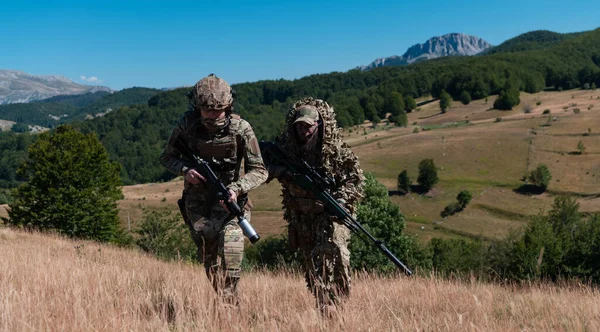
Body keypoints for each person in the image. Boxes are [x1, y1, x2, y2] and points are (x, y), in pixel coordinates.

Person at [159, 74, 267, 305]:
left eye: (218, 111)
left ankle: (229, 306)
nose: (212, 116)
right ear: (196, 107)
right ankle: (224, 299)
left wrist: (237, 188)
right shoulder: (186, 125)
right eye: (206, 111)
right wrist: (186, 170)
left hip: (232, 204)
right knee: (210, 262)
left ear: (228, 106)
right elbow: (167, 157)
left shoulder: (241, 129)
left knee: (233, 252)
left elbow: (260, 170)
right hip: (199, 206)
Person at [266, 97, 364, 314]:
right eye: (299, 127)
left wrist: (340, 200)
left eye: (308, 126)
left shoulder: (338, 154)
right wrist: (282, 172)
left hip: (328, 217)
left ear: (319, 125)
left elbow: (354, 180)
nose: (304, 131)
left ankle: (334, 307)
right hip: (300, 219)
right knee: (311, 268)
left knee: (333, 256)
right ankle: (324, 308)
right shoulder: (286, 151)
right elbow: (262, 167)